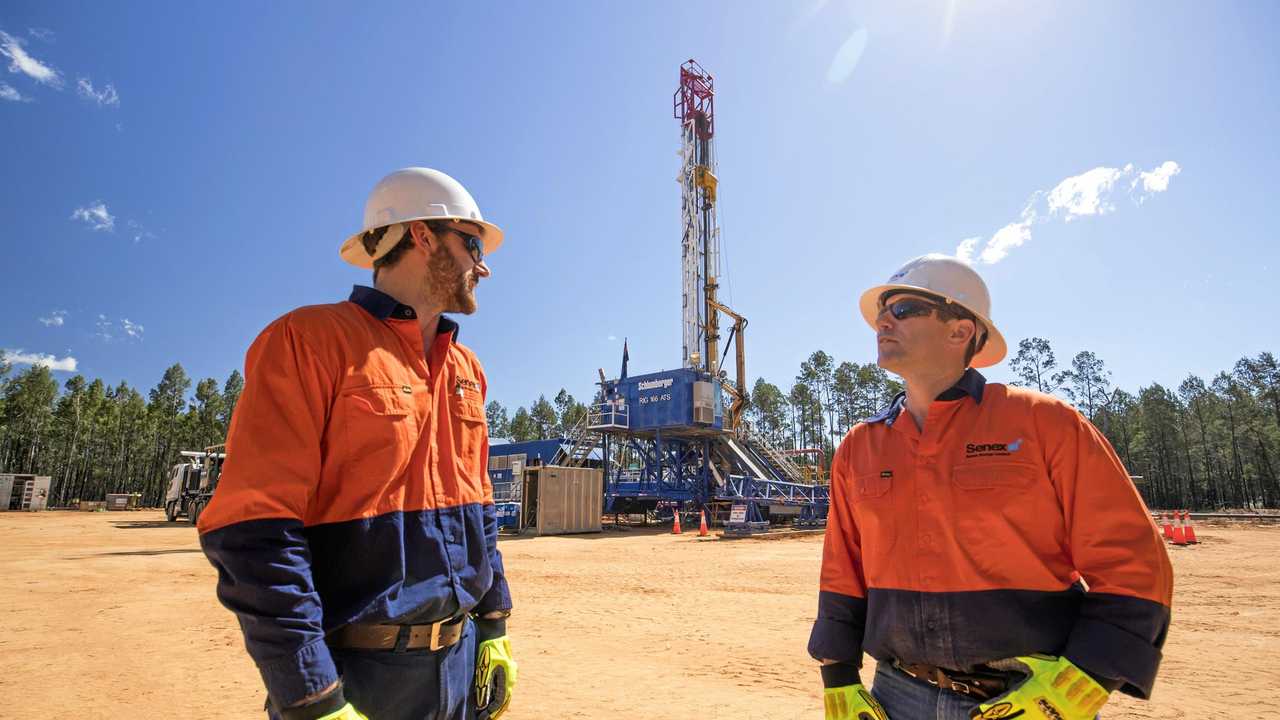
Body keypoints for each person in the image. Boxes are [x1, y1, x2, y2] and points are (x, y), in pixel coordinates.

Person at [199, 167, 517, 720]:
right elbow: (253, 532)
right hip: (359, 679)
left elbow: (479, 506)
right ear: (422, 235)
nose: (481, 265)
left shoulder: (466, 368)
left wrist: (494, 624)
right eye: (470, 243)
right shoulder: (307, 342)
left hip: (460, 668)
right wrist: (314, 697)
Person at [808, 254, 1173, 720]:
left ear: (960, 331)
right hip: (896, 697)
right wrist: (837, 677)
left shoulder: (1045, 423)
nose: (882, 321)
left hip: (1031, 697)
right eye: (882, 312)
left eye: (902, 309)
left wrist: (1081, 685)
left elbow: (1133, 564)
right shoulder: (861, 447)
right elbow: (843, 570)